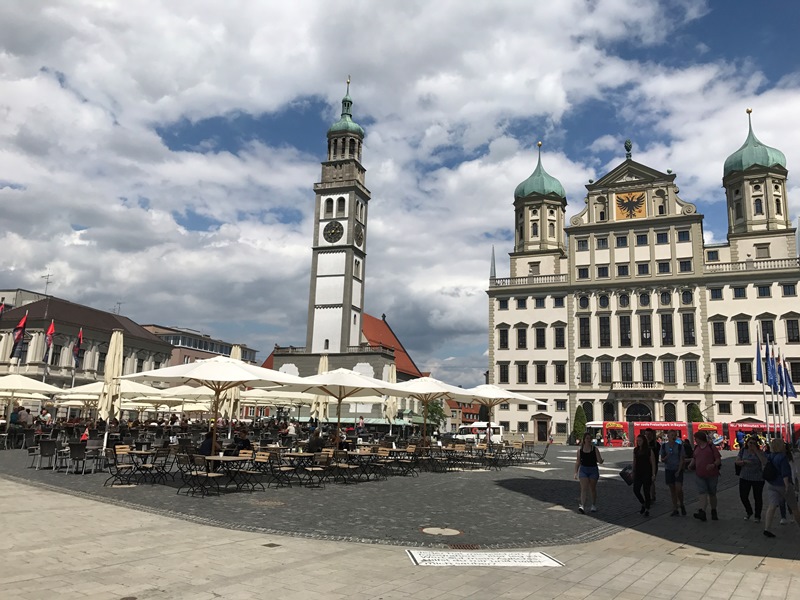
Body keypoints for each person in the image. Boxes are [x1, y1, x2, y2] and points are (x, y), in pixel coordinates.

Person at [757, 438, 800, 537]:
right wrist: (787, 486)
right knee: (794, 507)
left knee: (772, 506)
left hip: (771, 484)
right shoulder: (782, 457)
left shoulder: (770, 456)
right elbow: (785, 473)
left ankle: (767, 528)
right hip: (782, 484)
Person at [688, 431, 721, 522]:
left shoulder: (711, 447)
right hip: (700, 474)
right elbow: (694, 458)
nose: (695, 440)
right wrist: (690, 465)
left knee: (712, 493)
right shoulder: (696, 448)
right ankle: (702, 512)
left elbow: (718, 460)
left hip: (712, 475)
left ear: (700, 438)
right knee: (702, 493)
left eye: (696, 438)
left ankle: (713, 511)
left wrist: (713, 465)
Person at [735, 436, 764, 523]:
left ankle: (757, 516)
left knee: (757, 497)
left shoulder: (760, 452)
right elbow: (737, 461)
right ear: (747, 443)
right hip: (745, 477)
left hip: (758, 478)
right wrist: (743, 462)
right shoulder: (743, 450)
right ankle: (749, 511)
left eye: (754, 443)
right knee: (743, 496)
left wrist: (756, 451)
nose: (751, 445)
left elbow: (764, 461)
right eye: (750, 443)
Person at [574, 432, 604, 514]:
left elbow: (599, 460)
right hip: (583, 470)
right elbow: (578, 462)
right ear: (584, 440)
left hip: (593, 470)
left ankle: (593, 505)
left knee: (592, 488)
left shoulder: (594, 449)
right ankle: (582, 506)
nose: (588, 440)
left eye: (590, 438)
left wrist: (601, 461)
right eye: (587, 438)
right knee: (584, 488)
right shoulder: (580, 450)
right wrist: (575, 472)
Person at [660, 429, 686, 516]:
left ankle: (681, 503)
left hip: (677, 469)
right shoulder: (664, 446)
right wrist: (666, 457)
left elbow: (682, 459)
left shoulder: (679, 447)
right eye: (671, 435)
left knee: (679, 489)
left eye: (675, 435)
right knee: (672, 490)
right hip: (669, 469)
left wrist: (679, 470)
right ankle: (675, 508)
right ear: (668, 436)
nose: (673, 437)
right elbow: (662, 459)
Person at [633, 434, 656, 516]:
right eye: (637, 441)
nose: (638, 442)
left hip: (647, 472)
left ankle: (647, 509)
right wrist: (633, 471)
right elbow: (634, 461)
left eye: (640, 440)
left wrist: (653, 474)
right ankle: (643, 503)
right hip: (638, 472)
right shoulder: (636, 450)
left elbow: (653, 463)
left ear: (644, 441)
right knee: (636, 490)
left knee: (646, 491)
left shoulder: (649, 450)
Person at [644, 428, 661, 503]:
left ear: (652, 435)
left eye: (649, 434)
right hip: (645, 464)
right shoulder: (644, 444)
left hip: (653, 464)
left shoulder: (656, 444)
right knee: (646, 481)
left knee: (651, 480)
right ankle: (650, 495)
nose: (648, 436)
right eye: (646, 434)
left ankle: (652, 496)